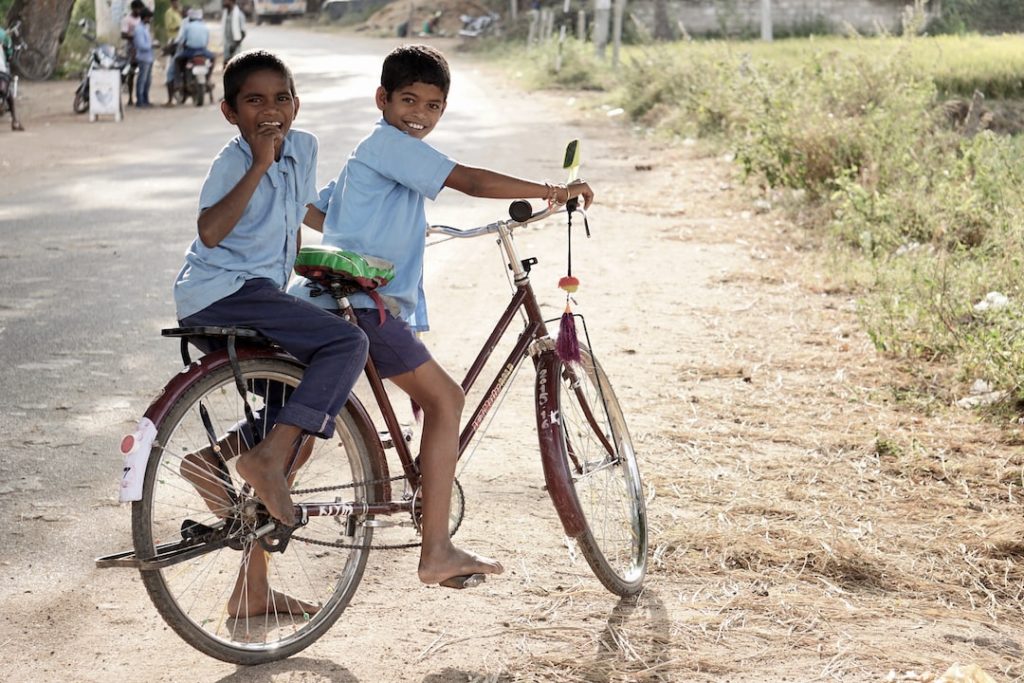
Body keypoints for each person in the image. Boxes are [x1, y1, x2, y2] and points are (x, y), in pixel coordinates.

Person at [290, 44, 594, 589]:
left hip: (342, 302)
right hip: (365, 306)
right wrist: (555, 191)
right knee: (446, 399)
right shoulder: (390, 144)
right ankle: (436, 550)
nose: (420, 115)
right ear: (382, 99)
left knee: (342, 414)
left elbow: (320, 212)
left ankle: (225, 464)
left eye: (433, 106)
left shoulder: (369, 155)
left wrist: (382, 229)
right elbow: (471, 182)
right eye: (408, 100)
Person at [174, 50, 369, 616]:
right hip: (223, 291)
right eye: (254, 101)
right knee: (347, 343)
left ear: (296, 104)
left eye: (280, 98)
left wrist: (362, 241)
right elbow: (210, 232)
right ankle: (261, 464)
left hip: (260, 296)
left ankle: (217, 464)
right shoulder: (232, 161)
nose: (270, 110)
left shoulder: (304, 147)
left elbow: (304, 209)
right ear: (229, 112)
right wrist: (259, 162)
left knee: (300, 397)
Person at [173, 7, 216, 92]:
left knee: (177, 60)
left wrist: (177, 44)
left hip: (190, 51)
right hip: (202, 51)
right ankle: (208, 78)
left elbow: (181, 40)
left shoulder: (187, 26)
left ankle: (178, 82)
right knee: (213, 58)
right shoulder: (205, 27)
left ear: (190, 18)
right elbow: (206, 41)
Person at [120, 0, 145, 105]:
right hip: (131, 49)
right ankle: (130, 98)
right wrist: (135, 36)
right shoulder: (127, 20)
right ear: (134, 9)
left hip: (141, 48)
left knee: (143, 73)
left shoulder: (141, 19)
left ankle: (142, 97)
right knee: (131, 73)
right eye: (138, 9)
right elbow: (123, 34)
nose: (140, 11)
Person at [0, 24, 24, 131]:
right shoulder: (4, 35)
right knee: (8, 93)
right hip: (2, 71)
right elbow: (9, 54)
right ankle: (14, 120)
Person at [161, 0, 183, 106]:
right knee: (171, 67)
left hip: (179, 41)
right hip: (173, 42)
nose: (177, 4)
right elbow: (169, 27)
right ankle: (170, 97)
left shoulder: (177, 12)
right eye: (175, 2)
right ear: (172, 2)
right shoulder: (169, 13)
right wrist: (179, 28)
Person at [132, 8, 155, 107]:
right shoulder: (139, 29)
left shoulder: (145, 28)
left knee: (148, 80)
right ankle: (140, 100)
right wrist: (152, 45)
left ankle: (146, 99)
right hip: (143, 57)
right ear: (145, 18)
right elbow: (141, 45)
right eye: (149, 18)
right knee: (142, 80)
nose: (150, 20)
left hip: (149, 57)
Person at [222, 0, 246, 67]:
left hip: (235, 48)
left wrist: (234, 46)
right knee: (226, 68)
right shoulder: (225, 14)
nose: (224, 2)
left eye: (225, 0)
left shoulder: (239, 15)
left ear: (232, 1)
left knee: (236, 69)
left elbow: (243, 33)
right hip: (227, 47)